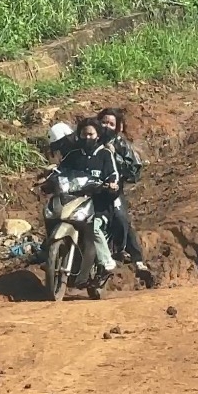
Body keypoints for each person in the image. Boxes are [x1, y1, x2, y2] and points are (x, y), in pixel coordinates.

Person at [52, 117, 122, 277]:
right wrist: (49, 176)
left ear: (97, 135)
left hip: (99, 205)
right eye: (84, 134)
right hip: (74, 201)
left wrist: (112, 184)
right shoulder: (73, 155)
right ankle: (47, 252)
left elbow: (113, 175)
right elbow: (61, 170)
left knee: (94, 228)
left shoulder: (105, 154)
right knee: (55, 217)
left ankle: (106, 263)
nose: (87, 138)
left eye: (90, 134)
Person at [97, 107, 151, 280]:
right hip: (88, 190)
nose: (106, 126)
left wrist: (116, 158)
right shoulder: (89, 139)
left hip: (112, 192)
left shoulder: (120, 144)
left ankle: (132, 256)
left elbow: (134, 170)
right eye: (103, 122)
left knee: (120, 218)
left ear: (118, 127)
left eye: (111, 124)